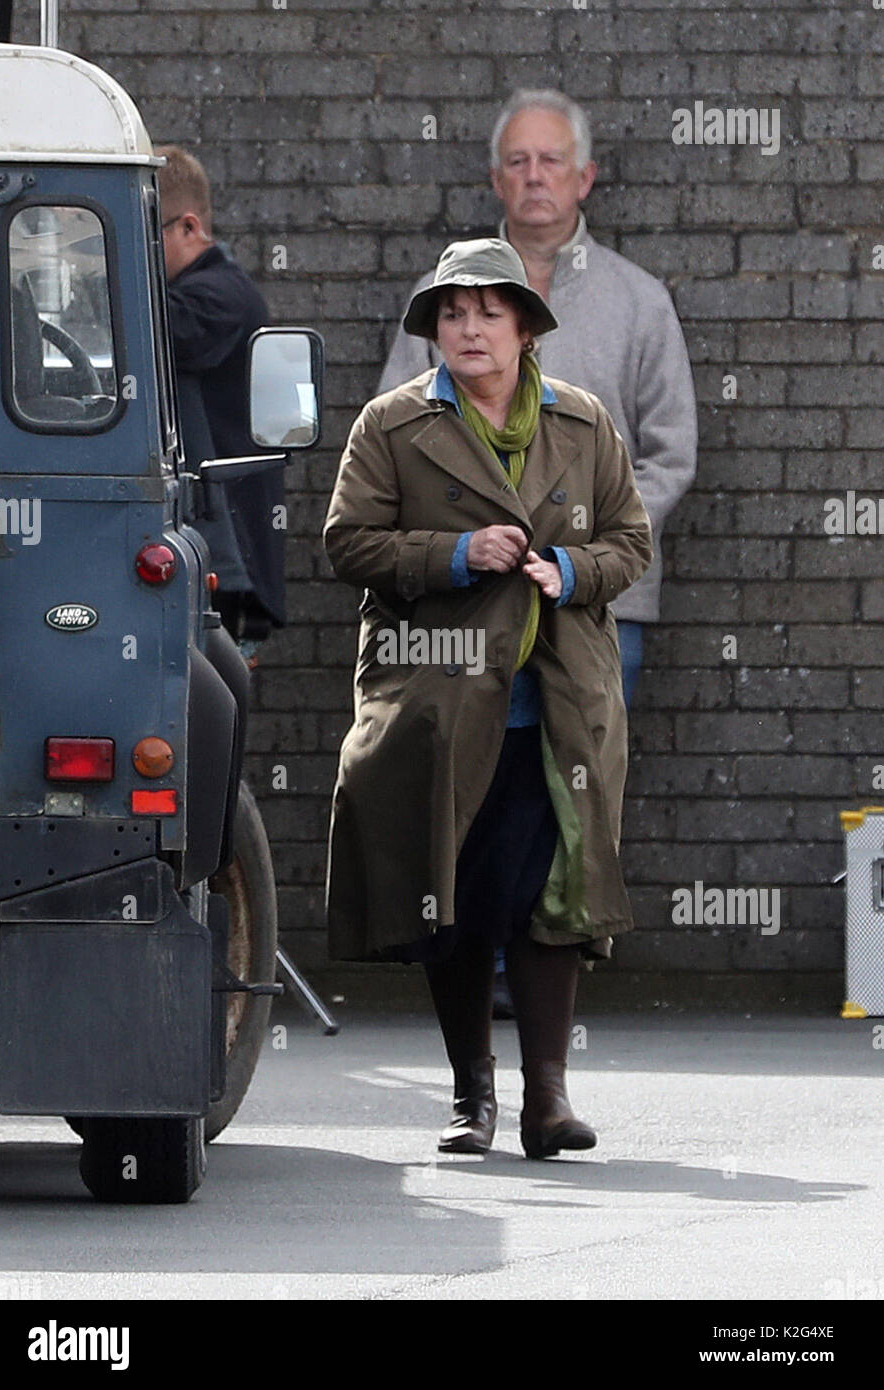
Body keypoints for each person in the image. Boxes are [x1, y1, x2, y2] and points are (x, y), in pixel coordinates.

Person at [323, 239, 653, 1158]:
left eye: (488, 312)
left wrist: (575, 568)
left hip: (557, 705)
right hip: (442, 697)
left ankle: (548, 1101)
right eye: (452, 313)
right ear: (434, 330)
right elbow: (348, 543)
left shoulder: (583, 424)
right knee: (454, 895)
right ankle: (474, 1099)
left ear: (524, 329)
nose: (469, 329)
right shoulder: (392, 425)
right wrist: (455, 557)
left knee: (553, 895)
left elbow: (633, 540)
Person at [378, 89, 697, 707]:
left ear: (585, 177)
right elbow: (395, 436)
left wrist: (592, 549)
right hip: (460, 602)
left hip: (600, 603)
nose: (534, 176)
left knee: (581, 790)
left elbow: (672, 454)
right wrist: (460, 548)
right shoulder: (438, 299)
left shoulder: (640, 302)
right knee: (462, 791)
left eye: (551, 161)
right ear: (496, 180)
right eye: (518, 162)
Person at [155, 143, 283, 643]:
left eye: (147, 231)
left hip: (226, 563)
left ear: (189, 227)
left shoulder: (221, 296)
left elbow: (157, 331)